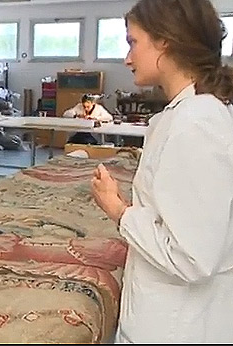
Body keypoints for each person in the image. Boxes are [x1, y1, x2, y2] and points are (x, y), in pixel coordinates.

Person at [91, 0, 233, 342]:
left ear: (164, 40)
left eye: (133, 42)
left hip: (175, 327)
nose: (127, 58)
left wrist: (119, 210)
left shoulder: (197, 122)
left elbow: (192, 258)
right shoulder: (188, 115)